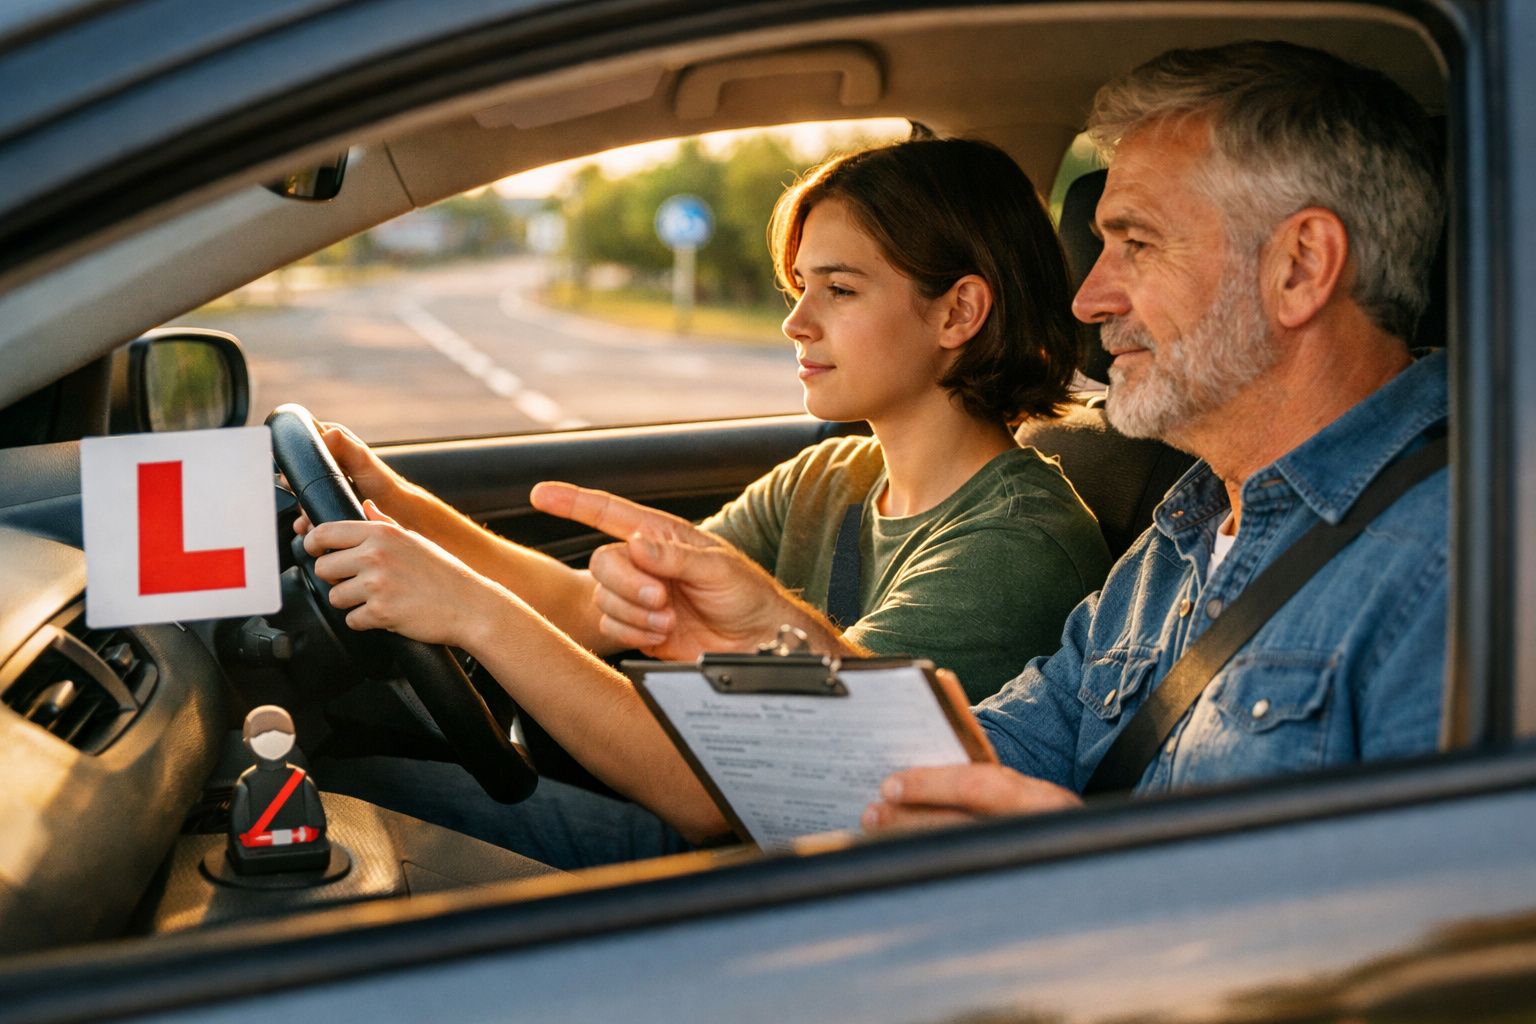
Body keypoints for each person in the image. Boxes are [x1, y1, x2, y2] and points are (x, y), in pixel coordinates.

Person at [546, 40, 1450, 836]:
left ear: (1299, 267)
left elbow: (1445, 957)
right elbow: (969, 762)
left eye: (1135, 243)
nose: (1088, 299)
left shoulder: (1464, 562)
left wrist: (1088, 882)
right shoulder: (1184, 531)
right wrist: (779, 638)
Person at [308, 137, 1109, 864]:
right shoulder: (828, 476)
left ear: (958, 312)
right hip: (733, 838)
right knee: (343, 786)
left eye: (839, 289)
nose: (796, 321)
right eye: (800, 287)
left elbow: (720, 795)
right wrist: (398, 501)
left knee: (343, 819)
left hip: (774, 881)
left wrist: (468, 611)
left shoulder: (1015, 544)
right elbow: (592, 609)